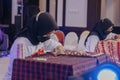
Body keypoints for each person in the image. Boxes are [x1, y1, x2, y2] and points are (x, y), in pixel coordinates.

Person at [3, 12, 65, 80]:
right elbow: (19, 69)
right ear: (39, 29)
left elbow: (58, 45)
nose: (48, 37)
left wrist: (59, 49)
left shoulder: (41, 39)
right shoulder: (21, 44)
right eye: (47, 34)